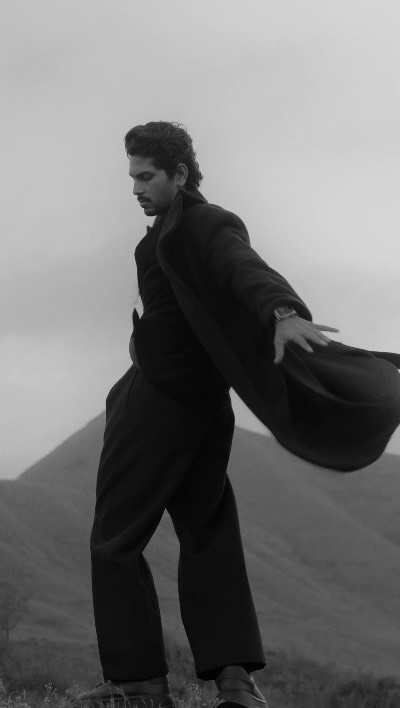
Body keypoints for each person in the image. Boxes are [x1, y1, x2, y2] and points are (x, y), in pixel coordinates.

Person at [76, 121, 400, 708]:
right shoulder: (171, 229)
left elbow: (242, 265)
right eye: (132, 178)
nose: (136, 189)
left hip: (160, 399)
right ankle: (235, 682)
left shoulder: (204, 222)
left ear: (179, 174)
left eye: (146, 176)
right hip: (203, 404)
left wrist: (282, 311)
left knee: (114, 536)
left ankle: (139, 683)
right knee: (207, 532)